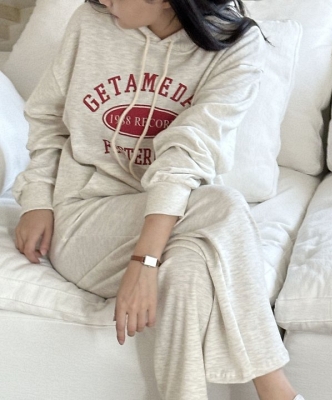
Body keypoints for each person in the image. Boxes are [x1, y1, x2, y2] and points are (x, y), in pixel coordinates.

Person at [13, 0, 304, 399]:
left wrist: (146, 260)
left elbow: (187, 153)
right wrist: (37, 199)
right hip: (85, 219)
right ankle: (277, 392)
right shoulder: (91, 21)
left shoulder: (235, 43)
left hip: (175, 220)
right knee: (223, 205)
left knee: (189, 270)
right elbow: (47, 117)